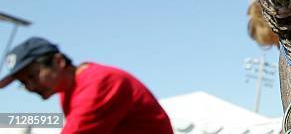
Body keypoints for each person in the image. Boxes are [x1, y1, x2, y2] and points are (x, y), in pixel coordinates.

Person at [0, 37, 173, 133]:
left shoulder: (99, 83)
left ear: (58, 61)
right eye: (23, 83)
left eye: (32, 76)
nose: (31, 87)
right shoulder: (67, 91)